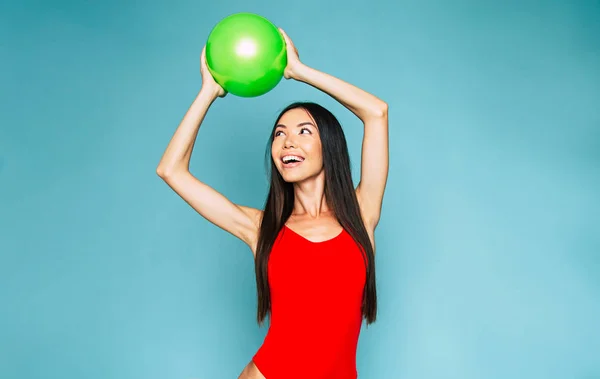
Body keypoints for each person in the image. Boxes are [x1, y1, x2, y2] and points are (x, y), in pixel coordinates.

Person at [156, 29, 389, 379]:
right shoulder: (260, 228)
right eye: (279, 133)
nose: (287, 142)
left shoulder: (362, 213)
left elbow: (376, 111)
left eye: (303, 132)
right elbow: (170, 169)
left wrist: (298, 71)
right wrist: (209, 91)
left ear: (330, 146)